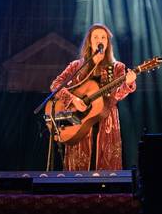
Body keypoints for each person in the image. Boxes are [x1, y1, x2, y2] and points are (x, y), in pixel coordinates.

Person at [50, 24, 136, 170]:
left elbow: (116, 95)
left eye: (103, 37)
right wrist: (73, 99)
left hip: (106, 121)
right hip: (80, 122)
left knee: (106, 164)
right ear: (89, 42)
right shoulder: (77, 66)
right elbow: (55, 85)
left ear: (107, 43)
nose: (99, 40)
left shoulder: (117, 67)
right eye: (95, 37)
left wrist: (128, 83)